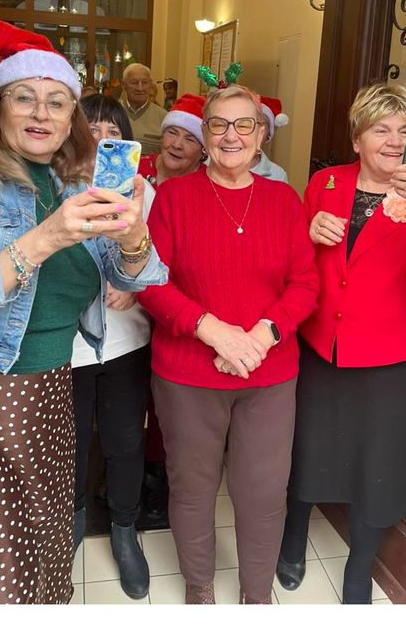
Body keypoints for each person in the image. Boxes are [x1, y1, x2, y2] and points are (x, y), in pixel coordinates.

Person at [0, 16, 168, 604]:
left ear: (72, 118)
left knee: (43, 546)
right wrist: (45, 238)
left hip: (52, 386)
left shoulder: (73, 183)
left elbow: (136, 276)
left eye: (57, 102)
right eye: (25, 98)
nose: (42, 113)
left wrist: (132, 233)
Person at [277, 83, 406, 604]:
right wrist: (306, 228)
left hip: (395, 359)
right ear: (357, 138)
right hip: (323, 348)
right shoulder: (325, 183)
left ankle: (359, 567)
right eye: (380, 129)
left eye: (405, 131)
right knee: (307, 448)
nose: (393, 140)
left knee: (380, 466)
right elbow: (290, 261)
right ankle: (293, 538)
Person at [137, 84, 319, 604]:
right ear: (205, 134)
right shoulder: (173, 198)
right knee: (192, 487)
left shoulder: (284, 199)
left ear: (262, 135)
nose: (232, 135)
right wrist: (213, 331)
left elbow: (305, 284)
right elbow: (150, 282)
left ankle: (256, 594)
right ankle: (199, 585)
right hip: (188, 373)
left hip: (269, 374)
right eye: (219, 124)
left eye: (245, 124)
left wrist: (259, 338)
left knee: (262, 491)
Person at [70, 93, 155, 599]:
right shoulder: (55, 188)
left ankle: (125, 531)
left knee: (126, 442)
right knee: (73, 443)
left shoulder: (147, 194)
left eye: (112, 130)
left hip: (127, 343)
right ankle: (74, 522)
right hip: (69, 346)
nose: (102, 138)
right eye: (92, 128)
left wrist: (135, 279)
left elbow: (166, 266)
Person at [137, 93, 206, 187]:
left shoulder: (208, 185)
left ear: (203, 151)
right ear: (162, 136)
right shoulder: (136, 169)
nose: (177, 145)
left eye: (189, 140)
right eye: (172, 133)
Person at [119, 63, 166, 154]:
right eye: (134, 83)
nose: (140, 88)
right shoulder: (111, 112)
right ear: (123, 85)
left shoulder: (164, 117)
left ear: (150, 84)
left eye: (145, 82)